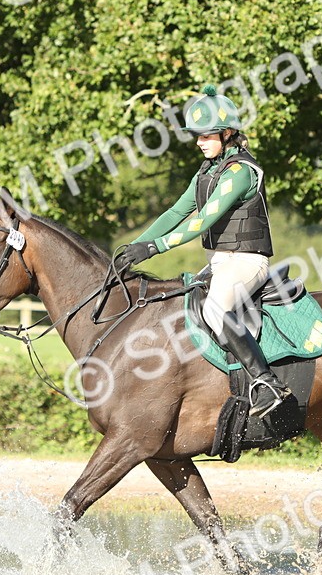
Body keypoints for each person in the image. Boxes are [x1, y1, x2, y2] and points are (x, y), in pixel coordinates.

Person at [114, 85, 292, 417]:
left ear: (227, 133)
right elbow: (175, 213)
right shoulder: (206, 171)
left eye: (206, 135)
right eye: (197, 135)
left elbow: (201, 221)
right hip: (219, 262)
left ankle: (266, 383)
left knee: (215, 309)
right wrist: (135, 245)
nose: (199, 141)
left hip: (246, 262)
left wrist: (155, 247)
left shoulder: (240, 172)